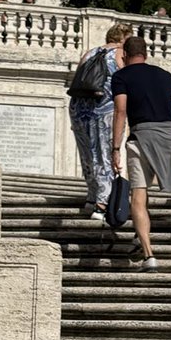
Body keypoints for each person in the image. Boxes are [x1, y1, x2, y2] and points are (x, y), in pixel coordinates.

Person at [111, 35, 171, 272]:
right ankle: (139, 236)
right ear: (146, 53)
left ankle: (149, 255)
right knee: (144, 195)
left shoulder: (121, 76)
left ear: (124, 56)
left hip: (141, 137)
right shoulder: (165, 75)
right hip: (167, 138)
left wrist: (115, 148)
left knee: (138, 196)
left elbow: (121, 111)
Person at [69, 22, 133, 223]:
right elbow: (126, 81)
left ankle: (91, 196)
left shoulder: (90, 53)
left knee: (87, 154)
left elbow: (78, 78)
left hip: (79, 109)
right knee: (104, 154)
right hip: (103, 109)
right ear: (123, 38)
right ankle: (102, 203)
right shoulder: (120, 54)